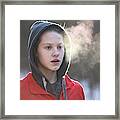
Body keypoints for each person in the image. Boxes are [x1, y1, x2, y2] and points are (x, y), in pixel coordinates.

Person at [20, 21, 85, 100]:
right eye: (48, 47)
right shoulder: (19, 90)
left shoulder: (76, 90)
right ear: (35, 51)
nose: (56, 53)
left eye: (59, 47)